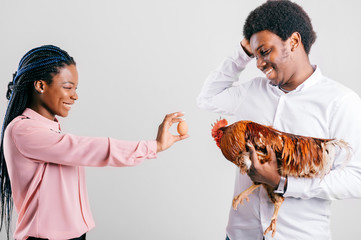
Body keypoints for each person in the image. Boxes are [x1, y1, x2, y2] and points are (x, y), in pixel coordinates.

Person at [197, 1, 361, 239]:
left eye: (264, 52)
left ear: (294, 41)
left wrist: (282, 182)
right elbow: (206, 99)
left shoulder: (340, 101)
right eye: (254, 56)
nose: (259, 64)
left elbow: (357, 178)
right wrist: (241, 53)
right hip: (241, 234)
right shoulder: (251, 91)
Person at [0, 45, 188, 240]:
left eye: (75, 88)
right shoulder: (23, 130)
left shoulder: (48, 128)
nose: (75, 96)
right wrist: (154, 146)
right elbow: (85, 148)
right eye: (67, 87)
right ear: (40, 86)